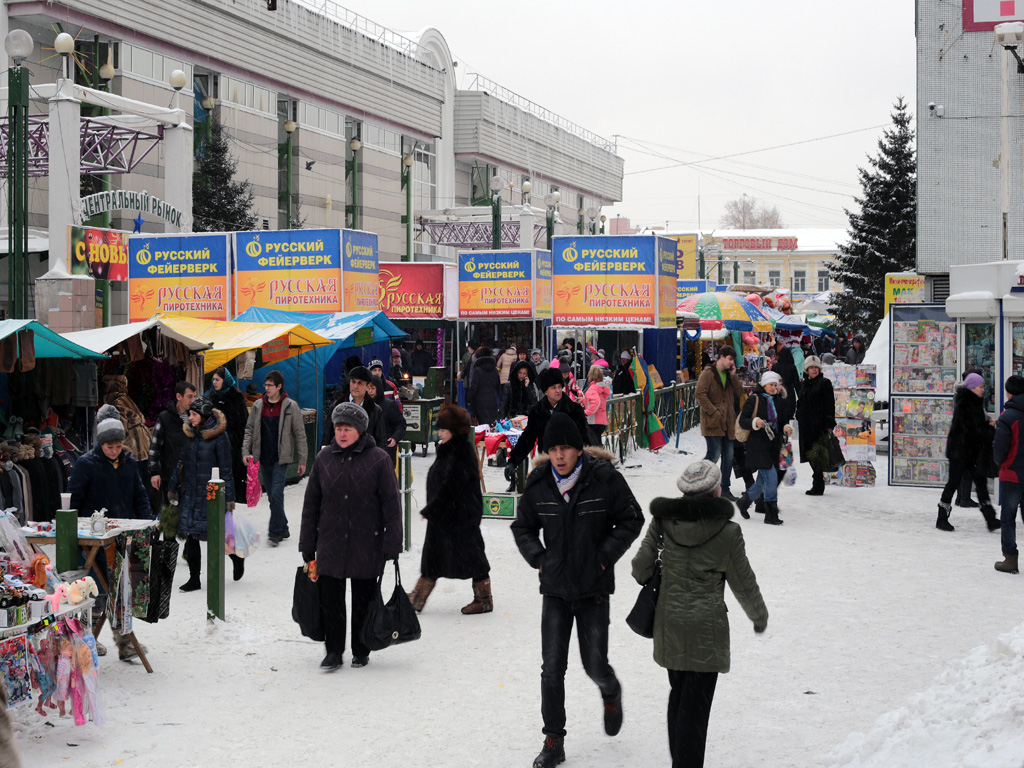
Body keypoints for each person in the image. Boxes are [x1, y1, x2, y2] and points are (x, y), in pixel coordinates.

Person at [512, 413, 644, 768]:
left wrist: (603, 557)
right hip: (554, 589)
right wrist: (538, 558)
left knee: (594, 664)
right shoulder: (539, 483)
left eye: (565, 448)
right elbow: (522, 526)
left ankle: (610, 689)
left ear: (578, 449)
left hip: (593, 589)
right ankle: (554, 739)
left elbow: (633, 518)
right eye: (553, 449)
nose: (559, 456)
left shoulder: (603, 479)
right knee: (552, 668)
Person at [632, 460, 768, 768]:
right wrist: (758, 615)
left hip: (669, 625)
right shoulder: (728, 532)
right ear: (717, 490)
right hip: (706, 630)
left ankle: (679, 759)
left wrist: (660, 573)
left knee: (679, 693)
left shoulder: (663, 520)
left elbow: (640, 568)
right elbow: (743, 583)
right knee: (695, 708)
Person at [300, 402, 402, 671]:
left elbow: (391, 505)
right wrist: (307, 543)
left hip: (367, 541)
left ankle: (361, 648)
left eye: (347, 429)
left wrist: (392, 543)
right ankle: (333, 651)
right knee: (331, 601)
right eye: (338, 428)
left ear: (359, 430)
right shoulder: (324, 460)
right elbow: (311, 504)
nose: (341, 434)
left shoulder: (379, 459)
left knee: (363, 599)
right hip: (331, 542)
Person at [407, 405, 492, 614]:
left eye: (443, 429)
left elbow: (452, 486)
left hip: (460, 516)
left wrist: (432, 509)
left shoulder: (460, 452)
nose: (440, 433)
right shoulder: (450, 449)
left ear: (454, 430)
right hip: (448, 515)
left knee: (473, 557)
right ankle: (417, 598)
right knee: (433, 557)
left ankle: (484, 599)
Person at [168, 396, 239, 588]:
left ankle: (236, 557)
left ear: (204, 415)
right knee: (191, 535)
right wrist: (172, 487)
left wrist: (229, 499)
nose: (189, 418)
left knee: (217, 534)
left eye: (193, 414)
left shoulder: (219, 437)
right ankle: (195, 579)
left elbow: (226, 470)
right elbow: (181, 463)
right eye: (189, 414)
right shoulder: (190, 434)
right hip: (191, 492)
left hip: (211, 495)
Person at [241, 370, 307, 546]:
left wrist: (302, 460)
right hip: (264, 456)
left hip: (281, 458)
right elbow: (249, 430)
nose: (267, 388)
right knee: (271, 496)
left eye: (270, 385)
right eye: (266, 385)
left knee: (277, 493)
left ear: (279, 387)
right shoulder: (257, 405)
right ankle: (283, 525)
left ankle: (275, 531)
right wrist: (246, 452)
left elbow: (300, 434)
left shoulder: (290, 406)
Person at [505, 367, 592, 487]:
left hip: (571, 467)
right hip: (547, 466)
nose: (558, 390)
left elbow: (585, 439)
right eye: (553, 388)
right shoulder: (537, 411)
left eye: (559, 387)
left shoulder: (574, 410)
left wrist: (589, 464)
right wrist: (513, 462)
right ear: (545, 391)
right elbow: (528, 438)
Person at [936, 372, 998, 533]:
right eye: (980, 386)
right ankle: (941, 518)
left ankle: (991, 519)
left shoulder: (973, 402)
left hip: (968, 451)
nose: (983, 389)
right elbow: (976, 430)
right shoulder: (967, 404)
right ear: (972, 388)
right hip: (960, 452)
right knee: (954, 483)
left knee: (981, 483)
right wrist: (990, 427)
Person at [736, 371, 793, 525]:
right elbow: (743, 421)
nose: (774, 388)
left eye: (776, 385)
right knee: (771, 479)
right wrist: (756, 422)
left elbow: (782, 421)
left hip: (774, 446)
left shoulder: (779, 401)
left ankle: (744, 501)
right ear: (764, 384)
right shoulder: (754, 399)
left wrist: (786, 427)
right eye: (771, 385)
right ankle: (770, 514)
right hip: (758, 446)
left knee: (762, 481)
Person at [695, 347, 744, 501]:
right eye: (729, 359)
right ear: (721, 357)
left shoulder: (729, 375)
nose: (731, 362)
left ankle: (724, 489)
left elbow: (739, 393)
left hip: (728, 423)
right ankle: (698, 482)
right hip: (713, 423)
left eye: (733, 360)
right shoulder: (708, 374)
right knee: (713, 455)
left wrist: (734, 376)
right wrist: (713, 412)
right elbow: (699, 394)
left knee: (728, 457)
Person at [148, 381, 196, 509]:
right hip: (170, 475)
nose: (192, 400)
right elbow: (154, 447)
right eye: (189, 396)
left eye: (194, 397)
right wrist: (154, 472)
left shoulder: (195, 417)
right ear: (179, 396)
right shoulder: (165, 418)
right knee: (171, 516)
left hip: (192, 475)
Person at [994, 375, 1024, 573]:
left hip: (1012, 473)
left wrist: (1000, 463)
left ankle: (1010, 559)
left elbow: (1000, 449)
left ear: (1009, 392)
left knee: (1008, 517)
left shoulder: (1007, 417)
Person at [796, 355, 837, 496]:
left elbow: (830, 404)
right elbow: (800, 402)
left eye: (816, 367)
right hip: (806, 426)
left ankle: (818, 484)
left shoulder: (824, 383)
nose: (814, 370)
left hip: (819, 425)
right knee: (809, 455)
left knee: (817, 455)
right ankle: (818, 481)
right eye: (811, 367)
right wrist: (798, 413)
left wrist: (829, 422)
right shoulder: (803, 384)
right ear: (806, 369)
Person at [206, 367, 248, 502]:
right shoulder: (209, 398)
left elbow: (244, 424)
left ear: (225, 381)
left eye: (217, 379)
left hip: (234, 449)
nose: (214, 382)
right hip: (214, 449)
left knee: (232, 485)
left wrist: (244, 448)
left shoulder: (236, 398)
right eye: (213, 379)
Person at [322, 366, 388, 450]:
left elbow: (381, 441)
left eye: (360, 383)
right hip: (340, 458)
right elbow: (327, 437)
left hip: (366, 458)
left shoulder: (375, 410)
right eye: (353, 382)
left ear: (367, 386)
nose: (355, 386)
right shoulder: (336, 407)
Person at [368, 375, 406, 466]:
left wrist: (395, 437)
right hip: (367, 452)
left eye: (373, 388)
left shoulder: (390, 405)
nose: (370, 391)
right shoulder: (363, 406)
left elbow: (401, 424)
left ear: (379, 388)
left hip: (386, 450)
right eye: (368, 388)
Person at [467, 346, 502, 426]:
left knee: (482, 427)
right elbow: (498, 387)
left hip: (480, 403)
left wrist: (469, 400)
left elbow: (473, 388)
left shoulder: (477, 370)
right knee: (492, 426)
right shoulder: (495, 370)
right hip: (493, 401)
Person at [582, 364, 611, 446]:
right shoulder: (601, 387)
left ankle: (600, 458)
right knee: (598, 443)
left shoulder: (593, 388)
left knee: (594, 445)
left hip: (593, 421)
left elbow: (596, 402)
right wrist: (583, 400)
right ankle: (602, 457)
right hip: (601, 420)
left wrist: (586, 412)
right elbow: (598, 401)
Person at [773, 346, 801, 417]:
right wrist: (801, 396)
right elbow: (796, 383)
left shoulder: (775, 366)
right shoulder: (792, 367)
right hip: (790, 393)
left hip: (778, 392)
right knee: (788, 416)